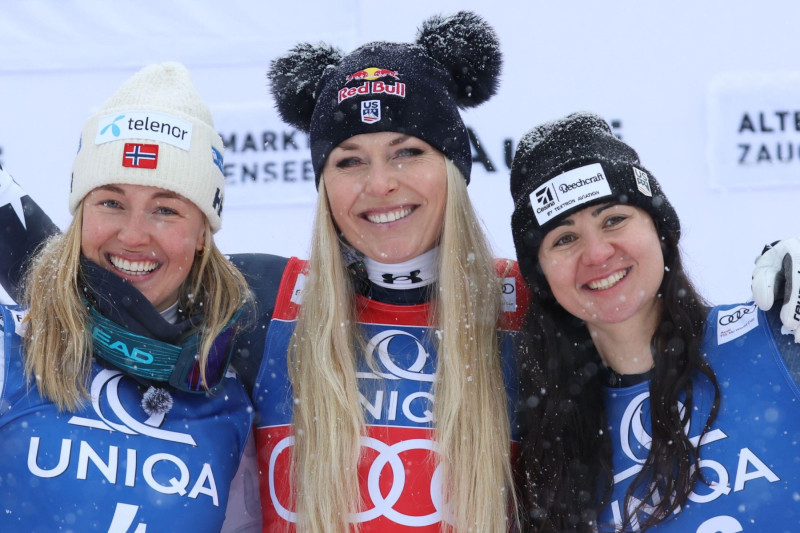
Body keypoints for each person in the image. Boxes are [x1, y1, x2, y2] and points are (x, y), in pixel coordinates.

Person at [0, 12, 525, 533]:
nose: (380, 183)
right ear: (324, 182)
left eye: (408, 152)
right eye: (349, 160)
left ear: (455, 166)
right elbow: (101, 292)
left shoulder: (527, 310)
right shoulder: (269, 301)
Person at [508, 112, 800, 532]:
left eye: (613, 220)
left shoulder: (778, 336)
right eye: (565, 238)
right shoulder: (548, 440)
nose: (597, 254)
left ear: (659, 231)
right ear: (542, 277)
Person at [0, 63, 257, 532]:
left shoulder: (234, 390)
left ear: (203, 232)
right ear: (80, 214)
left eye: (165, 209)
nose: (133, 235)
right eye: (111, 203)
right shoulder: (9, 348)